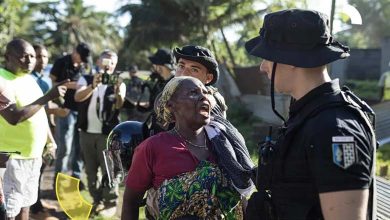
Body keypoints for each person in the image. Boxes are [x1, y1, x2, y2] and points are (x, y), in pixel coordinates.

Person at [245, 9, 376, 220]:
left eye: (267, 57)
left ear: (291, 59)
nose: (262, 67)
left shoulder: (334, 129)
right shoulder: (309, 115)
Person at [122, 76, 247, 220]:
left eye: (205, 92)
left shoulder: (224, 145)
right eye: (193, 93)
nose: (203, 97)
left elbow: (241, 196)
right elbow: (130, 202)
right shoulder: (152, 147)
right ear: (171, 105)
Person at [0, 38, 66, 220]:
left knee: (25, 205)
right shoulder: (2, 80)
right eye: (23, 56)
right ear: (7, 57)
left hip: (33, 157)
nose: (29, 60)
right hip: (10, 159)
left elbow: (39, 114)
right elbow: (13, 116)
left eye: (32, 56)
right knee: (8, 211)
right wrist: (48, 97)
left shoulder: (29, 80)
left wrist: (50, 143)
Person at [74, 50, 125, 217]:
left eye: (112, 62)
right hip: (86, 132)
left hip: (108, 134)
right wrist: (93, 85)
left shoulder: (119, 82)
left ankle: (110, 201)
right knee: (90, 170)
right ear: (98, 61)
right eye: (105, 61)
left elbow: (119, 105)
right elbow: (78, 97)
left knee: (110, 169)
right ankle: (97, 200)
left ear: (115, 65)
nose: (108, 64)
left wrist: (118, 92)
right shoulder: (86, 78)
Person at [50, 42, 90, 182]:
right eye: (81, 57)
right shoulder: (61, 62)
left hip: (81, 111)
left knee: (78, 148)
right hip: (65, 109)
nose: (82, 61)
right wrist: (71, 85)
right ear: (75, 52)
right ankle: (58, 181)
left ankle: (76, 180)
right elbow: (53, 84)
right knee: (64, 148)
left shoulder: (84, 65)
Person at [173, 45, 227, 118]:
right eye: (181, 66)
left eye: (194, 70)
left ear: (208, 78)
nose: (184, 74)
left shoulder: (210, 103)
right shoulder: (167, 94)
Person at [139, 48, 174, 138]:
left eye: (156, 65)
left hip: (168, 133)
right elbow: (151, 106)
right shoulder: (158, 82)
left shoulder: (175, 84)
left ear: (161, 66)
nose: (154, 68)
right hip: (155, 131)